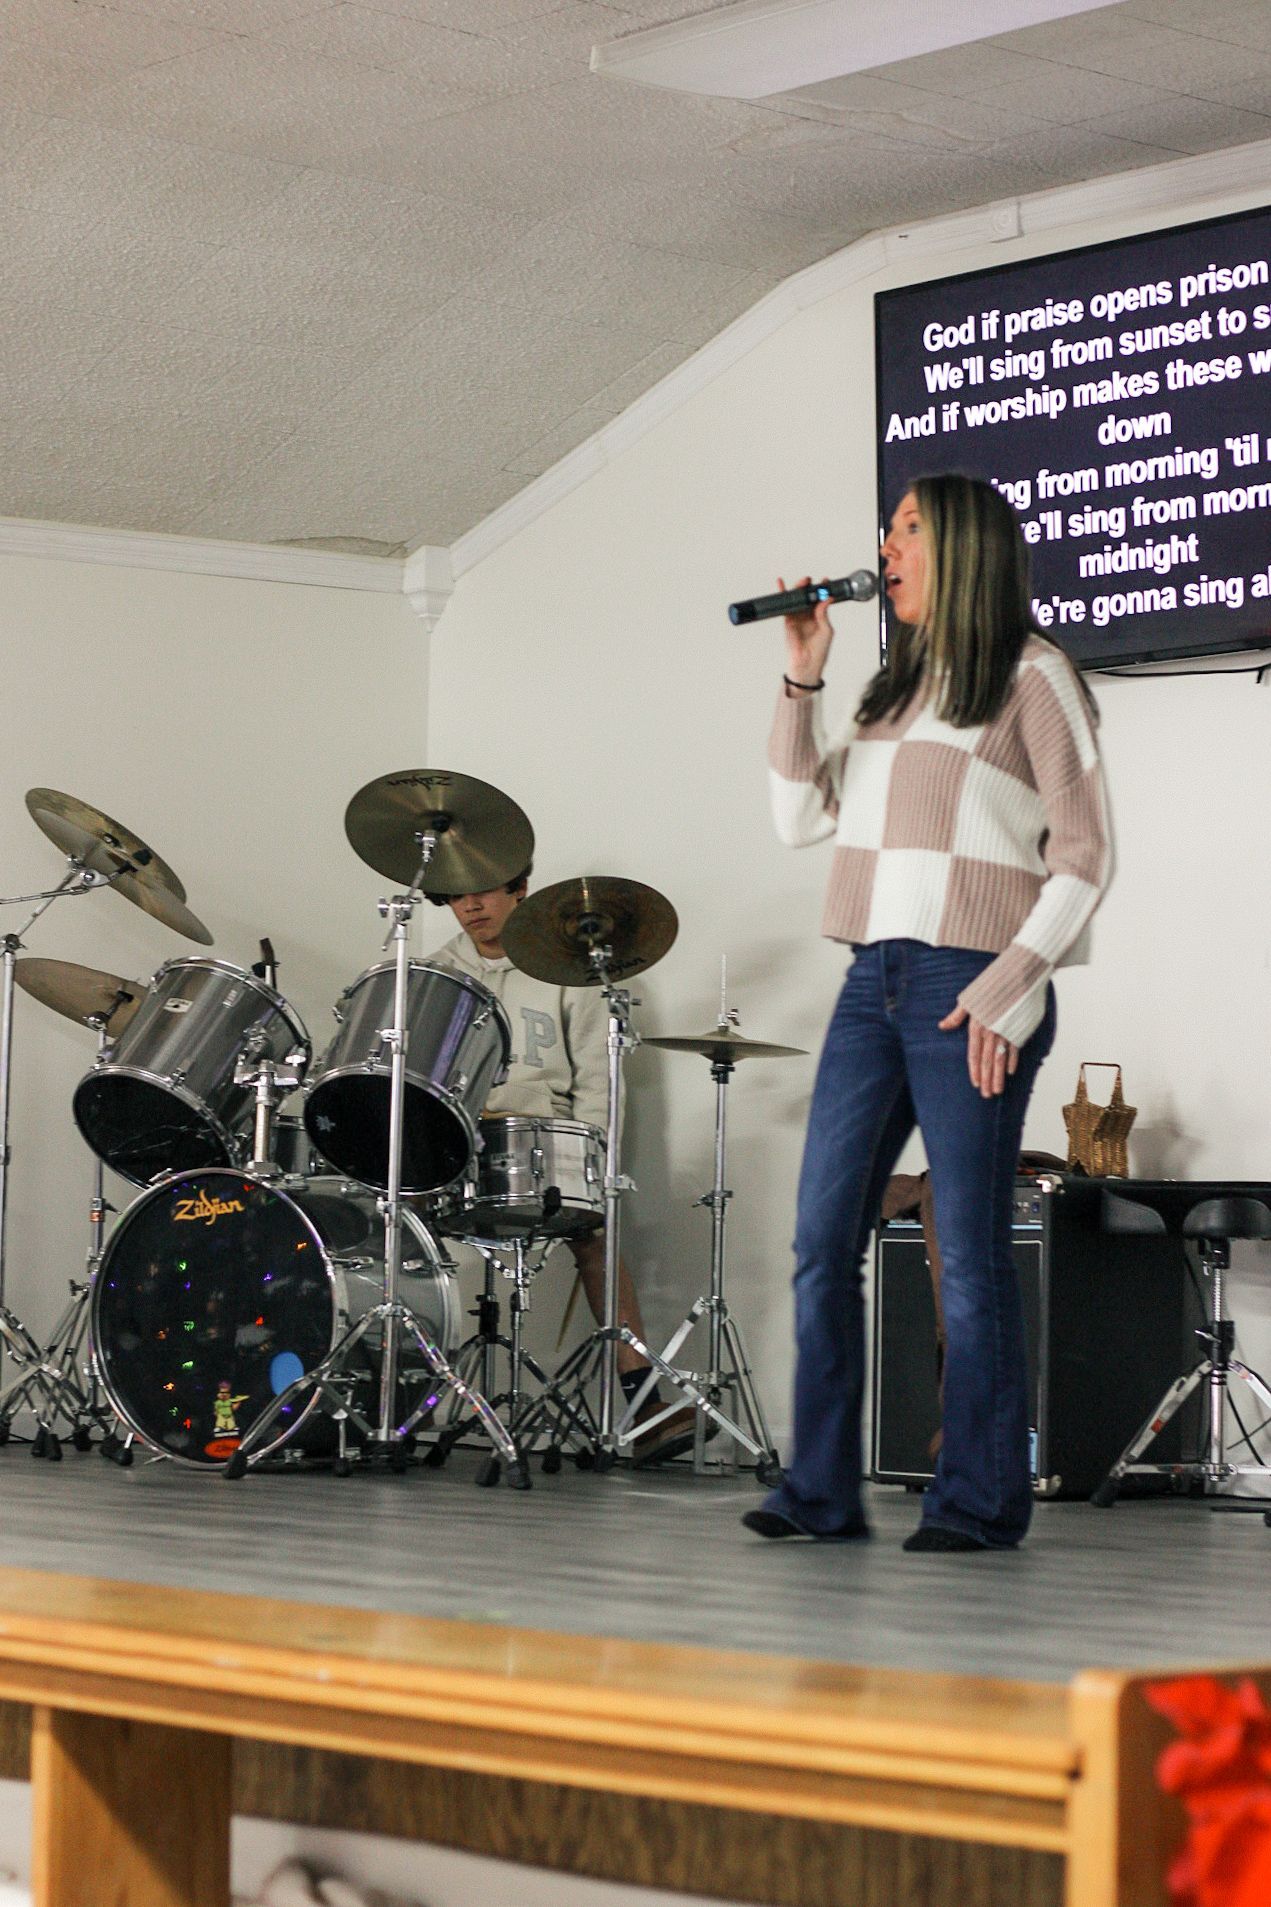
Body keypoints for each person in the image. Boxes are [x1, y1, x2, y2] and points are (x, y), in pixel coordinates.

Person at [744, 473, 1112, 1552]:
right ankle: (819, 1490)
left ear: (960, 544)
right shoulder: (887, 692)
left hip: (972, 981)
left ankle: (978, 1499)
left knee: (967, 1252)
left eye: (907, 528)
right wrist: (800, 676)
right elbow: (797, 819)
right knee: (822, 1239)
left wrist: (1010, 985)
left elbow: (1084, 852)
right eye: (888, 528)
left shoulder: (1034, 675)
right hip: (873, 979)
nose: (886, 546)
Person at [427, 870, 703, 1465]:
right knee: (391, 1221)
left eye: (484, 891)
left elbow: (599, 1080)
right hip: (455, 1141)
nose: (471, 906)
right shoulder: (435, 973)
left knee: (596, 1236)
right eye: (457, 896)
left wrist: (594, 1167)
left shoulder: (567, 967)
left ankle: (643, 1401)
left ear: (519, 889)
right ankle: (392, 1395)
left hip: (542, 1138)